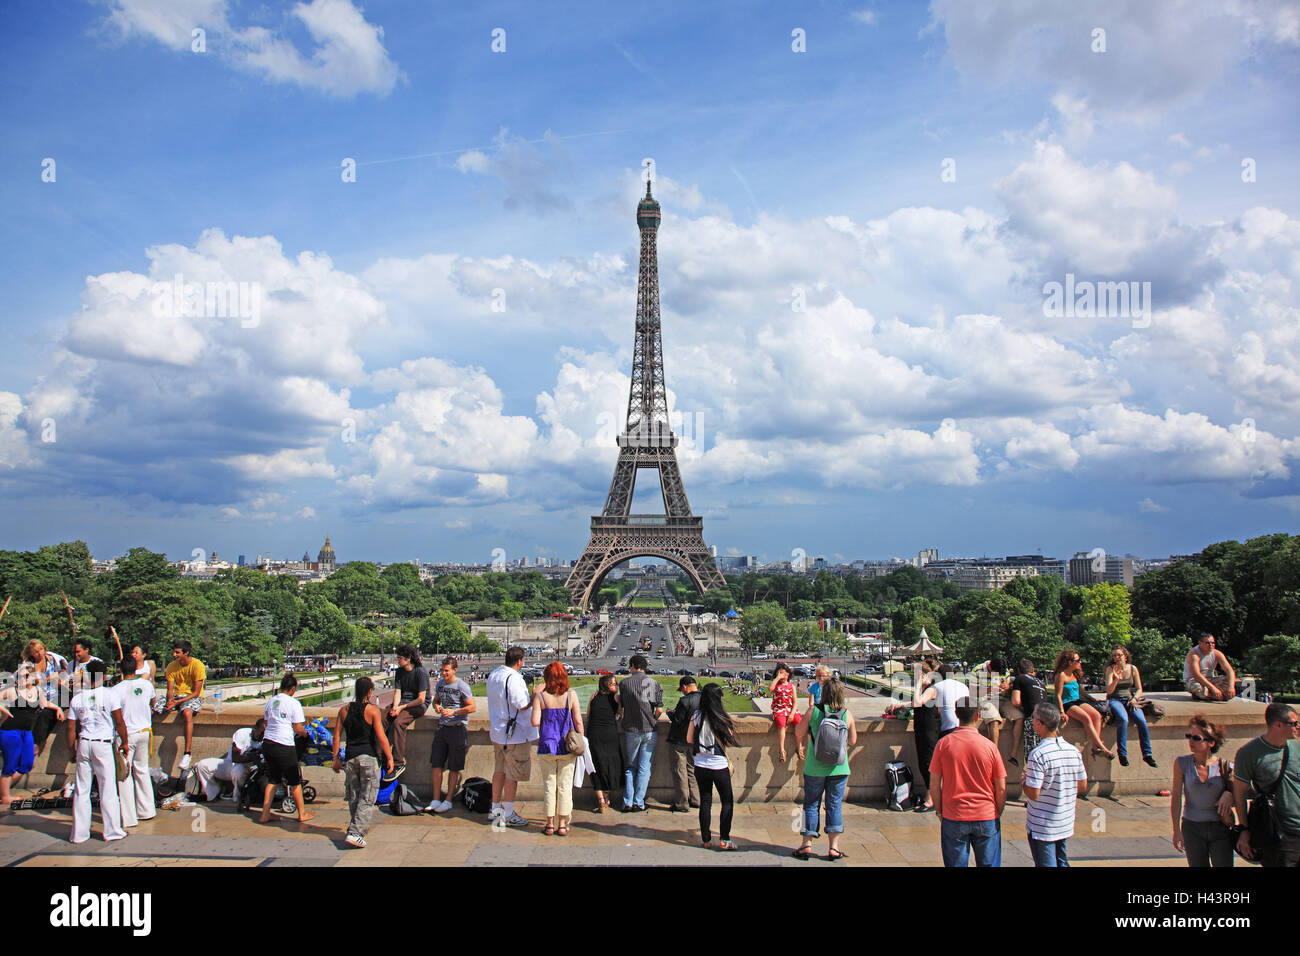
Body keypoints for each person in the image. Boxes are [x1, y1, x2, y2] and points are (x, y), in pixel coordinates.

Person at [930, 703, 1006, 867]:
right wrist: (997, 811)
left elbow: (934, 785)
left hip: (954, 814)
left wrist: (939, 811)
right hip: (986, 814)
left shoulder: (943, 744)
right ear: (978, 717)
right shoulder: (990, 747)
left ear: (956, 715)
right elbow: (1001, 786)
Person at [793, 677, 857, 860]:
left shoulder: (814, 711)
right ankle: (834, 847)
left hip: (814, 767)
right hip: (839, 768)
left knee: (810, 805)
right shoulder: (846, 714)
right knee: (834, 805)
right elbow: (853, 741)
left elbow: (798, 732)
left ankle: (806, 843)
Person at [66, 661, 129, 843]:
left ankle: (79, 834)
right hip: (102, 743)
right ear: (103, 676)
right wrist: (125, 742)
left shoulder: (77, 699)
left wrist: (72, 749)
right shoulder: (110, 695)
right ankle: (112, 831)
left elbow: (71, 728)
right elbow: (119, 722)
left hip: (84, 742)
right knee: (107, 789)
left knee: (81, 790)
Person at [1232, 703, 1300, 866]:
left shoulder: (1297, 748)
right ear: (1278, 725)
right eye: (1294, 723)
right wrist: (1244, 830)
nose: (1298, 727)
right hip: (1278, 834)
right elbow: (1239, 794)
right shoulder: (1248, 753)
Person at [1022, 703, 1088, 867]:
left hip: (1042, 825)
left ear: (1039, 724)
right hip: (1064, 821)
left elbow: (1033, 794)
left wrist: (1024, 782)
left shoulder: (1038, 754)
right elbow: (1082, 786)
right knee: (1061, 861)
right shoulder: (1073, 751)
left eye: (1034, 719)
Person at [332, 677, 393, 848]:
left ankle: (354, 829)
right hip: (368, 758)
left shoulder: (344, 710)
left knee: (354, 797)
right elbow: (381, 737)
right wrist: (389, 758)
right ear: (370, 692)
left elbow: (336, 736)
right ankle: (356, 833)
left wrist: (335, 758)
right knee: (367, 798)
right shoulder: (373, 711)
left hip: (350, 758)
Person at [1171, 714, 1236, 867]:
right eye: (1189, 737)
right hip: (1192, 827)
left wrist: (1229, 794)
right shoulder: (1182, 763)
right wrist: (1176, 830)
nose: (1191, 742)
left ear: (1211, 743)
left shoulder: (1225, 766)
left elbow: (1242, 794)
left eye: (1197, 738)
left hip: (1219, 827)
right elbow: (1175, 797)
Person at [531, 661, 584, 836]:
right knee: (565, 786)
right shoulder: (571, 695)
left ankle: (549, 824)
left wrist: (536, 696)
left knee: (548, 786)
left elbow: (535, 722)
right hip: (566, 746)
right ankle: (562, 824)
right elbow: (577, 721)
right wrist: (581, 740)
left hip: (547, 744)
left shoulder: (541, 696)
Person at [486, 646, 536, 828]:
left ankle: (495, 808)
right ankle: (508, 813)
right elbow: (522, 705)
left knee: (498, 771)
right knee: (512, 774)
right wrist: (535, 695)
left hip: (497, 732)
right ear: (520, 661)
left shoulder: (494, 674)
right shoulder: (514, 678)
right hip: (513, 735)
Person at [687, 683, 739, 850]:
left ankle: (706, 839)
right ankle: (724, 839)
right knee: (727, 801)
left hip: (700, 764)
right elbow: (730, 740)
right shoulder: (722, 717)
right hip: (718, 765)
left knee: (705, 802)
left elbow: (689, 739)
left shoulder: (696, 715)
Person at [1, 668, 61, 810]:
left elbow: (45, 704)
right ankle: (5, 796)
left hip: (26, 732)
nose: (23, 679)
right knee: (10, 765)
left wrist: (58, 708)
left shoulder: (36, 691)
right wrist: (3, 710)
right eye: (20, 676)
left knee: (28, 763)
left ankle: (3, 789)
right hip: (10, 731)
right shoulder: (12, 691)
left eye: (26, 676)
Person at [257, 673, 314, 825]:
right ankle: (302, 813)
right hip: (284, 744)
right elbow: (297, 728)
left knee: (273, 780)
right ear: (293, 688)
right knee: (294, 781)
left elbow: (267, 722)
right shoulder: (293, 703)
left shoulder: (271, 701)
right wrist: (307, 733)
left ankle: (264, 814)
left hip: (268, 743)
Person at [425, 656, 476, 813]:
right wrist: (437, 707)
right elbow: (435, 701)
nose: (444, 673)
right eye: (442, 670)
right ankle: (435, 799)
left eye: (447, 671)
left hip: (457, 728)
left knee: (454, 766)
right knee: (436, 764)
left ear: (455, 670)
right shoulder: (440, 684)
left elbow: (472, 707)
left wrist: (454, 711)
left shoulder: (462, 686)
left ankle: (448, 800)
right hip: (442, 727)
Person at [113, 657, 156, 827]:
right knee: (142, 770)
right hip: (144, 732)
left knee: (124, 774)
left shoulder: (116, 689)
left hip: (127, 734)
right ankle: (147, 810)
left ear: (121, 670)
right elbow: (152, 701)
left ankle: (129, 817)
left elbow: (115, 714)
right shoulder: (147, 685)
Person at [618, 654, 663, 812]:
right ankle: (639, 802)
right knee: (645, 768)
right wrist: (653, 719)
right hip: (649, 729)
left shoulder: (624, 683)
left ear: (632, 666)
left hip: (631, 729)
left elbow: (621, 707)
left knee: (630, 766)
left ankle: (628, 801)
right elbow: (659, 709)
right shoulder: (651, 683)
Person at [1053, 648, 1114, 759]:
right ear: (1070, 662)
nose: (1080, 662)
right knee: (1086, 718)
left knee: (1096, 716)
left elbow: (1080, 692)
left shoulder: (1075, 674)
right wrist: (1061, 711)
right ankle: (1102, 747)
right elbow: (1058, 695)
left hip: (1077, 701)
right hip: (1066, 703)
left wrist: (1093, 700)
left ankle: (1095, 747)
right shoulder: (1061, 675)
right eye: (1078, 660)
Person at [381, 644, 428, 784]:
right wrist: (395, 707)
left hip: (418, 705)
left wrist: (401, 709)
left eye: (400, 658)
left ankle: (398, 763)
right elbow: (397, 692)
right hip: (403, 702)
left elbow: (421, 699)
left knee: (398, 723)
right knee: (382, 718)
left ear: (408, 659)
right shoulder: (400, 671)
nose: (397, 661)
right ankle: (379, 754)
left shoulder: (421, 672)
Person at [1105, 646, 1156, 768]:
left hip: (1129, 699)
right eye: (1114, 656)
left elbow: (1139, 689)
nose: (1116, 658)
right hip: (1115, 700)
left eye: (1119, 655)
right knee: (1123, 719)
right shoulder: (1110, 669)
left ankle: (1147, 754)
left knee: (1141, 721)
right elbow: (1109, 690)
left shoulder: (1133, 669)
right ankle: (1122, 753)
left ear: (1125, 656)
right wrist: (1116, 679)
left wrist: (1134, 699)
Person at [160, 640, 206, 770]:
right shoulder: (171, 666)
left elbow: (196, 692)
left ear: (186, 653)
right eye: (174, 652)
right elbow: (170, 689)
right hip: (177, 697)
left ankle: (187, 753)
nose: (174, 655)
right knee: (156, 707)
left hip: (191, 697)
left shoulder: (198, 665)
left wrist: (176, 702)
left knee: (187, 713)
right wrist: (170, 701)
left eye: (177, 652)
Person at [18, 639, 69, 757]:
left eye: (41, 649)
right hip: (39, 696)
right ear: (31, 654)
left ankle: (36, 743)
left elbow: (64, 675)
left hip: (59, 694)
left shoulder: (56, 660)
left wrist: (45, 679)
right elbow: (29, 683)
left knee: (46, 713)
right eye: (35, 652)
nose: (39, 653)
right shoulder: (28, 665)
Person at [195, 718, 266, 802]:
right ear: (255, 728)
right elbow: (235, 758)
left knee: (238, 771)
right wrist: (253, 756)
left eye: (265, 734)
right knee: (202, 765)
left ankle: (238, 797)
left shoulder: (268, 740)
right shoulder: (242, 733)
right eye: (261, 733)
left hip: (250, 770)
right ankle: (213, 794)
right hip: (230, 764)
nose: (263, 736)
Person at [586, 674, 623, 812]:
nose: (616, 685)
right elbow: (620, 715)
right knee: (611, 765)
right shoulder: (616, 697)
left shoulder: (594, 696)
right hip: (609, 734)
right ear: (608, 685)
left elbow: (589, 715)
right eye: (614, 683)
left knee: (595, 765)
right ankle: (607, 797)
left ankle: (601, 800)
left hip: (594, 733)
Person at [910, 658, 941, 812]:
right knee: (923, 762)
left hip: (929, 730)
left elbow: (917, 702)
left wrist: (917, 685)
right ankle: (930, 796)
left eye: (917, 675)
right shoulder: (925, 689)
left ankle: (931, 799)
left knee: (928, 763)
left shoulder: (932, 689)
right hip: (921, 728)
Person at [666, 676, 701, 812]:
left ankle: (682, 802)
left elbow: (677, 719)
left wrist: (670, 713)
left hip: (680, 740)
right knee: (693, 770)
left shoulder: (685, 700)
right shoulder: (705, 698)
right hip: (696, 739)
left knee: (680, 771)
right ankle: (696, 799)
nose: (682, 692)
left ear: (685, 687)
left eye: (682, 689)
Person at [1010, 659, 1046, 767]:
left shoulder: (1020, 679)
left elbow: (1015, 701)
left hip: (1033, 718)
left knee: (1033, 757)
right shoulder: (1041, 682)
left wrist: (1023, 707)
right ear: (1033, 670)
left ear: (1019, 671)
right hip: (1048, 718)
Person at [1184, 633, 1237, 701]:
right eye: (1208, 643)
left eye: (1213, 643)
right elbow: (1196, 675)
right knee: (1197, 687)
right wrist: (1213, 688)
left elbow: (1230, 671)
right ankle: (1212, 695)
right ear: (1200, 643)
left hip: (1210, 680)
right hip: (1194, 680)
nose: (1211, 645)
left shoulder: (1217, 654)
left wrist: (1231, 687)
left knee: (1229, 680)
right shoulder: (1194, 655)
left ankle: (1207, 695)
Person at [769, 662, 802, 762]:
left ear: (788, 674)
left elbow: (795, 702)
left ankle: (799, 746)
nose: (782, 676)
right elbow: (770, 688)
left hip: (790, 709)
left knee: (799, 722)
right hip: (779, 709)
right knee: (781, 724)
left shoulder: (791, 686)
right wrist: (777, 678)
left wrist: (792, 714)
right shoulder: (777, 685)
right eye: (780, 673)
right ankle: (782, 749)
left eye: (783, 673)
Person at [932, 663, 970, 740]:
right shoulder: (964, 687)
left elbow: (937, 711)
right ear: (952, 675)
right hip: (965, 727)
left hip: (948, 729)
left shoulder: (936, 686)